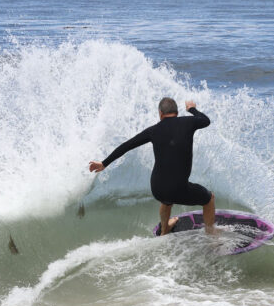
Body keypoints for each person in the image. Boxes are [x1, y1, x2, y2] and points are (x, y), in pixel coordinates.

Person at [89, 97, 217, 236]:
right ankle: (211, 236)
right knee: (209, 198)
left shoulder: (153, 130)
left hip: (157, 189)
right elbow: (205, 120)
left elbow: (126, 146)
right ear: (177, 112)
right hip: (178, 189)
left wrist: (104, 163)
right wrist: (192, 109)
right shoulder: (188, 122)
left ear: (160, 113)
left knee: (167, 200)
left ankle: (164, 230)